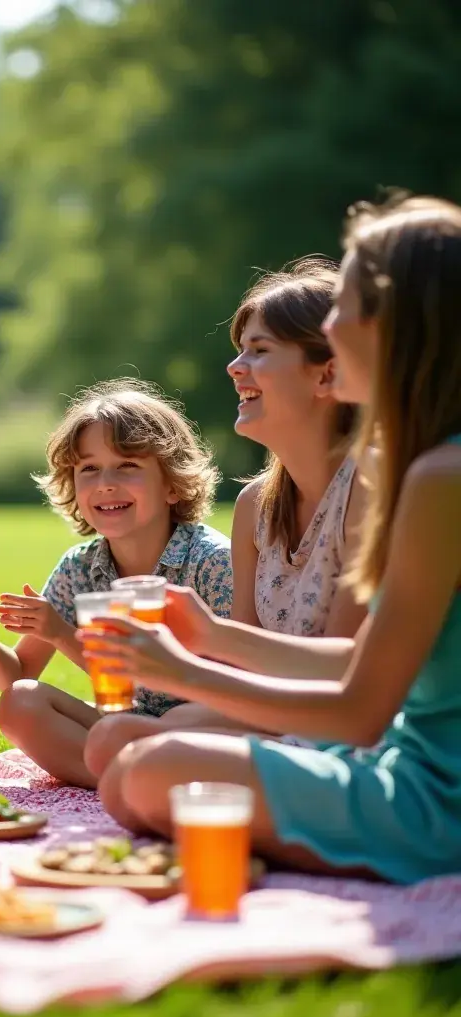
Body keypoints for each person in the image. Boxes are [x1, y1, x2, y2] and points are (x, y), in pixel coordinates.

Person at [90, 196, 461, 883]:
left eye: (343, 303)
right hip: (401, 764)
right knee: (130, 771)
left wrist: (180, 673)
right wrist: (209, 638)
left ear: (395, 324)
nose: (332, 322)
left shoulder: (439, 478)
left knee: (150, 773)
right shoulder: (425, 467)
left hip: (434, 801)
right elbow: (366, 672)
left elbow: (359, 708)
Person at [84, 260, 367, 775]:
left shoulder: (366, 494)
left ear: (327, 373)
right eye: (240, 350)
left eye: (259, 351)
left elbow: (346, 681)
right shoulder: (255, 506)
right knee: (116, 738)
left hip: (342, 737)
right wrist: (182, 659)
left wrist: (186, 670)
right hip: (275, 721)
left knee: (136, 756)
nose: (236, 367)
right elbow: (241, 667)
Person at [0, 379, 232, 787]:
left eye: (128, 465)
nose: (105, 483)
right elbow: (18, 674)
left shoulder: (211, 562)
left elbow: (229, 688)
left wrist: (59, 632)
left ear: (172, 484)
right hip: (124, 727)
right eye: (89, 469)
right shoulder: (79, 567)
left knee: (176, 719)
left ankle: (139, 777)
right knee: (19, 703)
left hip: (206, 728)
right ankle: (142, 781)